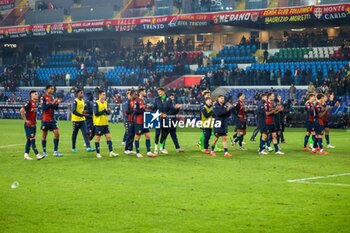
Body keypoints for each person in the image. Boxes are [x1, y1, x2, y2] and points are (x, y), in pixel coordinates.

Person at [93, 90, 119, 158]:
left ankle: (111, 152)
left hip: (105, 123)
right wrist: (104, 111)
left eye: (105, 94)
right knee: (98, 138)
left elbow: (107, 112)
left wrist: (108, 111)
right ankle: (98, 153)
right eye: (103, 94)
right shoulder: (96, 103)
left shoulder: (105, 102)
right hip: (98, 124)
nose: (104, 96)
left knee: (108, 137)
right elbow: (96, 113)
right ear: (99, 95)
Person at [20, 90, 44, 160]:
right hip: (29, 125)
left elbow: (34, 112)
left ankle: (26, 155)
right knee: (32, 139)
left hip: (33, 125)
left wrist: (35, 118)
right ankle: (37, 154)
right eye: (35, 94)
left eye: (37, 94)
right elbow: (21, 110)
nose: (37, 95)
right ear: (32, 95)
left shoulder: (36, 103)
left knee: (29, 140)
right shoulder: (29, 102)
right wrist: (25, 120)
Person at [40, 85, 63, 157]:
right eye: (51, 88)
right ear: (47, 89)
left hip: (52, 119)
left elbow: (55, 108)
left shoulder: (52, 97)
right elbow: (44, 108)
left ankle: (55, 151)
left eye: (53, 89)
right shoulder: (43, 97)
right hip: (45, 119)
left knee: (57, 134)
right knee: (44, 135)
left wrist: (57, 103)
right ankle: (44, 152)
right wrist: (52, 103)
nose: (52, 90)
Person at [133, 88, 156, 158]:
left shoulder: (143, 101)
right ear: (141, 92)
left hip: (145, 121)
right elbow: (135, 112)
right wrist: (143, 111)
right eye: (144, 91)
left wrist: (147, 110)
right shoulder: (136, 101)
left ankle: (149, 152)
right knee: (138, 136)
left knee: (148, 135)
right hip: (139, 122)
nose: (145, 92)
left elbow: (144, 110)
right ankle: (137, 152)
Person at [152, 87, 167, 154]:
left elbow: (171, 109)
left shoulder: (168, 99)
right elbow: (153, 109)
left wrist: (166, 114)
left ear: (163, 92)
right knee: (157, 134)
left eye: (160, 92)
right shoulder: (157, 99)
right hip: (158, 119)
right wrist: (159, 114)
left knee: (164, 134)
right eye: (158, 92)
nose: (159, 93)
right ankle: (155, 148)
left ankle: (161, 148)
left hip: (166, 119)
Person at [124, 90, 137, 155]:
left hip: (135, 120)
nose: (136, 95)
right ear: (131, 95)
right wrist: (133, 110)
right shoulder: (128, 102)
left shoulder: (136, 101)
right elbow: (127, 111)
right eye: (135, 94)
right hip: (130, 120)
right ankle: (126, 149)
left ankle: (130, 149)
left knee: (133, 135)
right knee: (129, 135)